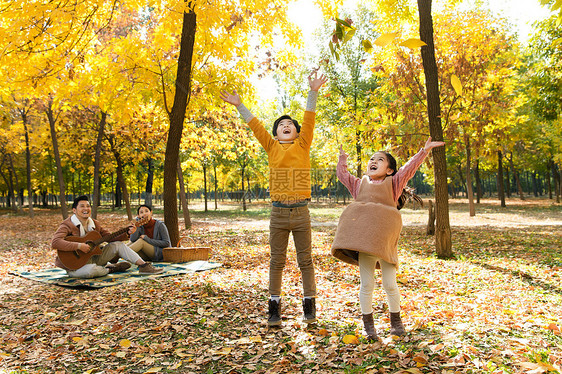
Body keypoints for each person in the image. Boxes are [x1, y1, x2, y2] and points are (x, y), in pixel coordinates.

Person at [220, 70, 328, 326]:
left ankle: (309, 305)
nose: (286, 125)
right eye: (281, 124)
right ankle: (274, 307)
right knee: (276, 261)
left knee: (306, 260)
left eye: (290, 123)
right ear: (276, 133)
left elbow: (309, 119)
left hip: (301, 213)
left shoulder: (303, 145)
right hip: (278, 213)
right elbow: (255, 125)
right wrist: (240, 106)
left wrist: (313, 92)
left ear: (298, 132)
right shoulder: (271, 147)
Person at [331, 137, 445, 341]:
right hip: (366, 243)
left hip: (386, 242)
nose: (373, 161)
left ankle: (396, 321)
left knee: (390, 285)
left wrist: (424, 151)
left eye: (379, 160)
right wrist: (342, 159)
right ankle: (368, 325)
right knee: (367, 285)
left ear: (390, 170)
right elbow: (342, 175)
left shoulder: (394, 184)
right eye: (371, 159)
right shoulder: (359, 185)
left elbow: (410, 168)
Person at [52, 195, 164, 278]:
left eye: (88, 206)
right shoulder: (67, 224)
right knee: (91, 271)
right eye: (82, 206)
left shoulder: (94, 224)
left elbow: (109, 237)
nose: (86, 209)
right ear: (74, 210)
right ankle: (110, 269)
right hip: (75, 265)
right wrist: (79, 246)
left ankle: (144, 266)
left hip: (95, 258)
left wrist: (127, 233)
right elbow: (55, 242)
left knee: (118, 245)